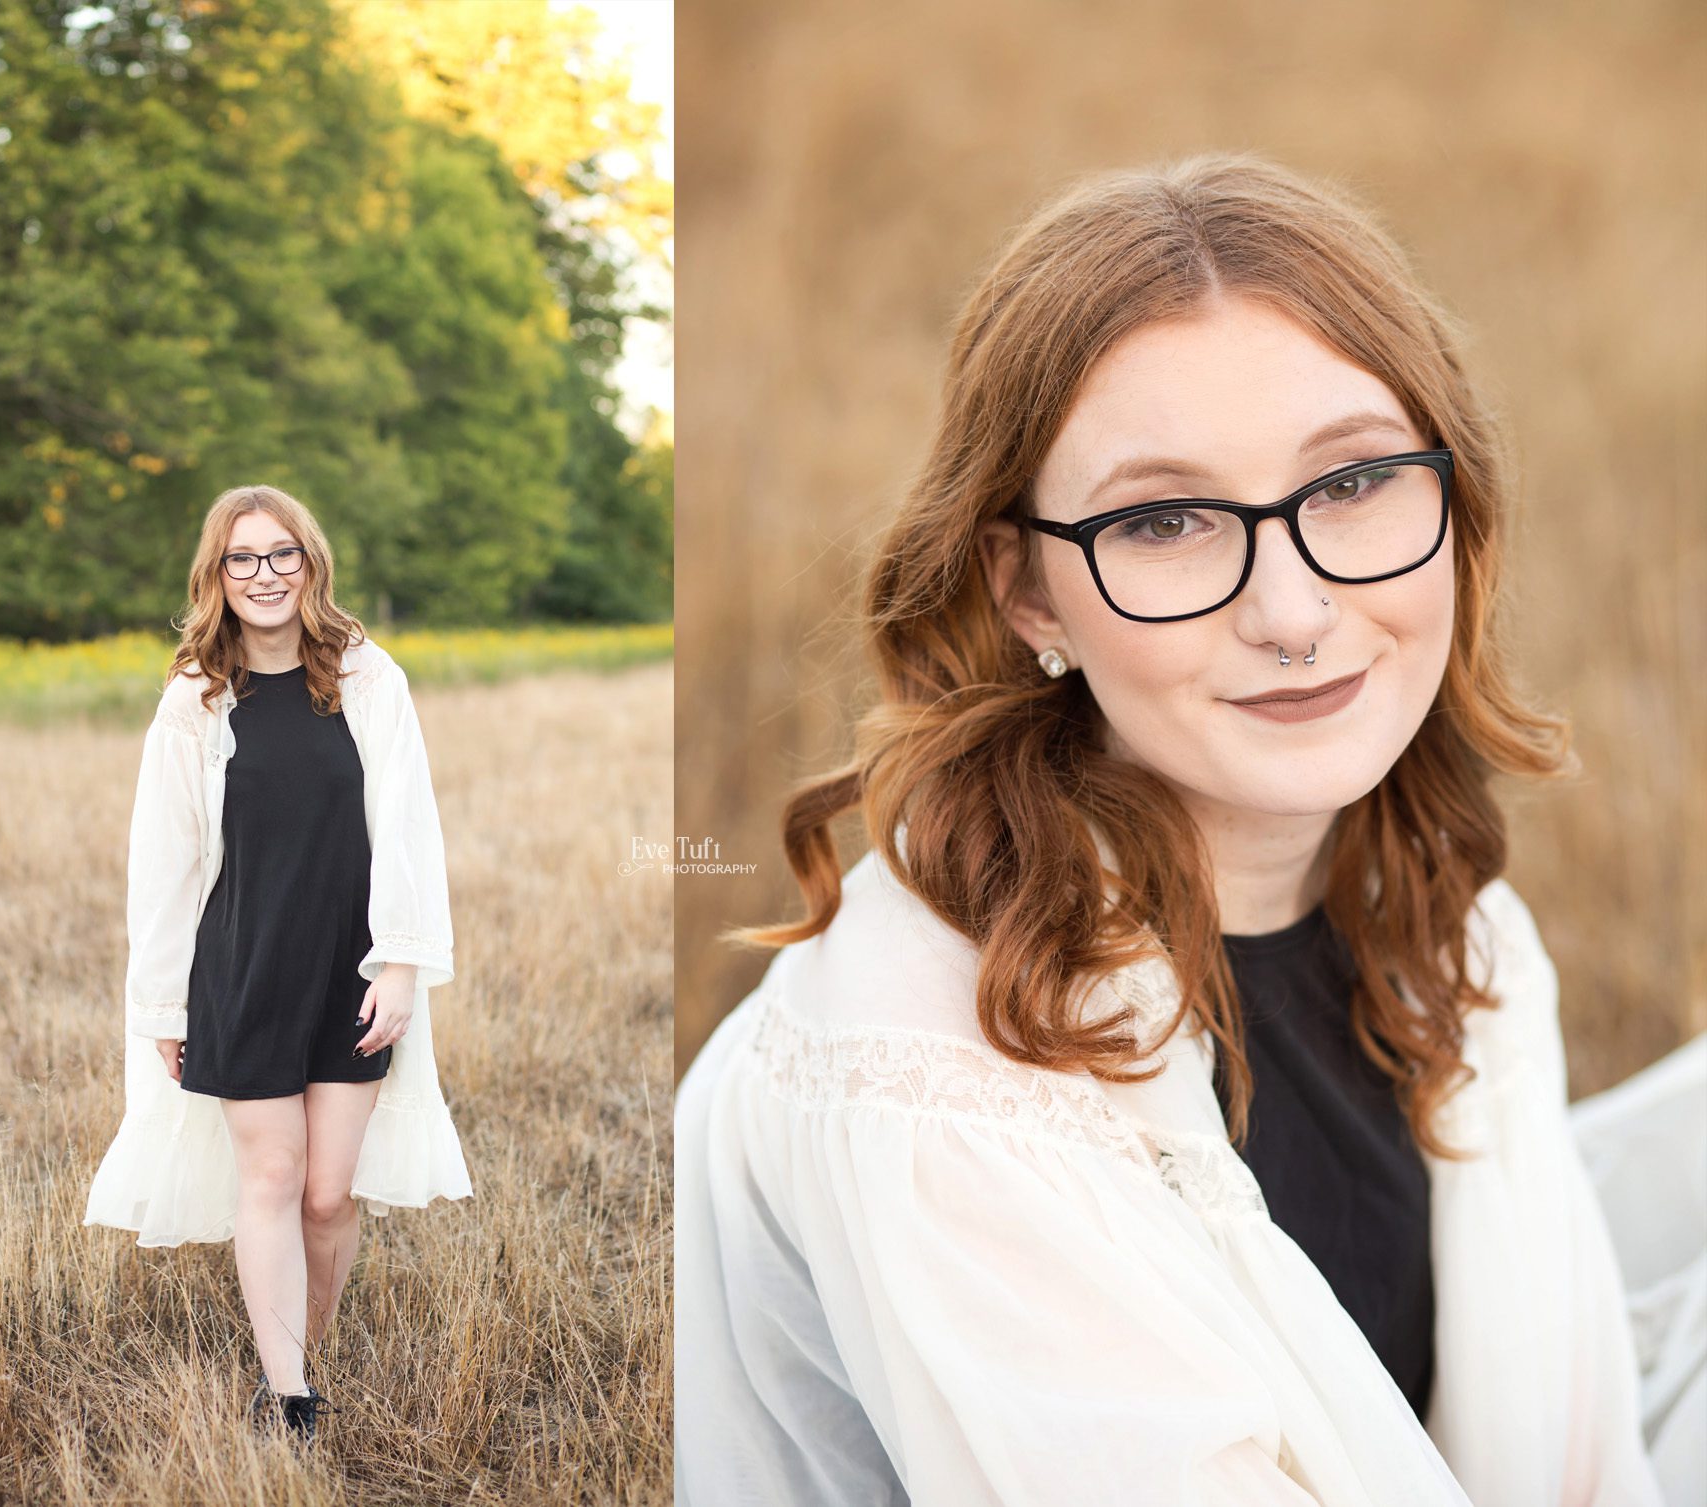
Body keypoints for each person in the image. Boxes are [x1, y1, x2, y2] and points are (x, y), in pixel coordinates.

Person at [675, 155, 1669, 1504]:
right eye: (1167, 519)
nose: (1294, 608)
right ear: (1027, 590)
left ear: (1455, 497)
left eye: (1355, 481)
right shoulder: (935, 1076)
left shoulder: (1460, 926)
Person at [83, 483, 468, 1446]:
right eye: (243, 558)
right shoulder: (197, 701)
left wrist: (402, 963)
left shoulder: (369, 677)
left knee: (328, 1193)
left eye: (281, 554)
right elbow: (163, 867)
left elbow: (409, 827)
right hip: (241, 963)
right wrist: (164, 1005)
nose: (264, 575)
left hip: (350, 960)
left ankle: (301, 1350)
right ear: (218, 574)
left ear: (311, 563)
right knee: (273, 1170)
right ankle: (287, 1388)